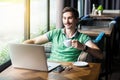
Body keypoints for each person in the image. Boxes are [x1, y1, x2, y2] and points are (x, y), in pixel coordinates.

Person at [23, 7, 104, 62]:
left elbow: (100, 55)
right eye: (64, 18)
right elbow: (34, 41)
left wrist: (83, 47)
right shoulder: (55, 33)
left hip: (68, 70)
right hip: (50, 66)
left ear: (77, 20)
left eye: (70, 18)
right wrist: (22, 45)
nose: (66, 21)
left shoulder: (82, 37)